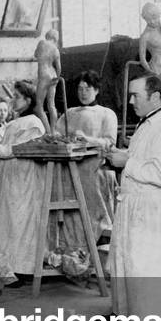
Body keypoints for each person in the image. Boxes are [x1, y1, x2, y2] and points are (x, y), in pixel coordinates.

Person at [106, 74, 161, 321]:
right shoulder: (150, 123)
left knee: (151, 268)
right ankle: (134, 318)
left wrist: (125, 162)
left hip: (152, 206)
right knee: (134, 265)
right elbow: (143, 158)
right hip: (137, 202)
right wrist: (124, 155)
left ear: (155, 96)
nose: (130, 101)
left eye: (135, 96)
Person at [0, 80, 48, 282]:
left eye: (17, 97)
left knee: (21, 223)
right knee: (9, 223)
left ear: (29, 100)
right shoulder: (17, 122)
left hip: (24, 179)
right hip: (10, 177)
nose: (13, 100)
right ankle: (8, 267)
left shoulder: (34, 123)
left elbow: (19, 149)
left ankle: (23, 269)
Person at [54, 71, 118, 237]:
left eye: (87, 88)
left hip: (95, 163)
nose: (83, 93)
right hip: (68, 163)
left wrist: (88, 140)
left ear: (96, 90)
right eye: (80, 89)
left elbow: (110, 142)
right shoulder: (69, 113)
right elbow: (56, 135)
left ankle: (97, 232)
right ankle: (67, 236)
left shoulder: (106, 114)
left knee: (89, 181)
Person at [34, 29, 61, 133]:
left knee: (39, 106)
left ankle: (48, 132)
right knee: (51, 105)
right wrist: (57, 78)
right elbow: (59, 68)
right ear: (55, 38)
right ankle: (54, 131)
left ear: (47, 36)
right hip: (53, 75)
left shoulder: (42, 43)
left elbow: (36, 55)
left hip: (44, 75)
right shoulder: (56, 50)